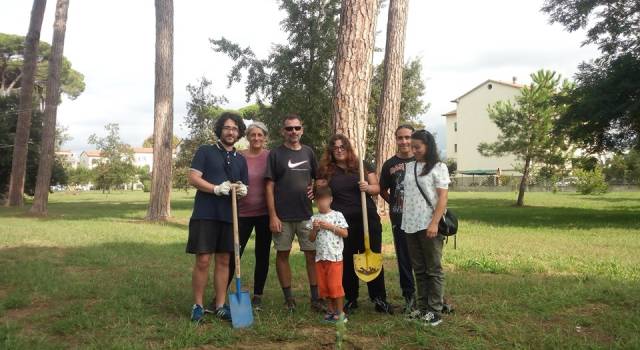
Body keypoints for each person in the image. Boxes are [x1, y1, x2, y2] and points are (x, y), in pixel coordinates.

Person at [317, 134, 394, 315]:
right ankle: (351, 298)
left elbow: (377, 187)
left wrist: (368, 187)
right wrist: (314, 189)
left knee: (372, 256)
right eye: (335, 147)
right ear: (331, 150)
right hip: (342, 223)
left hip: (367, 219)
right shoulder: (326, 170)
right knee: (347, 259)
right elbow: (320, 190)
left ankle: (379, 298)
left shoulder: (362, 165)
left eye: (342, 146)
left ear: (348, 148)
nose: (339, 149)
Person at [186, 112, 249, 323]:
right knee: (203, 260)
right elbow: (193, 178)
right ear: (220, 130)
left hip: (229, 216)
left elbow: (243, 184)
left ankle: (221, 305)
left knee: (224, 260)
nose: (231, 132)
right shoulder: (205, 151)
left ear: (239, 132)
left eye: (235, 129)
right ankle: (198, 305)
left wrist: (242, 190)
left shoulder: (240, 159)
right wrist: (215, 189)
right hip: (206, 213)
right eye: (227, 128)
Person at [265, 114, 323, 312]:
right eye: (289, 128)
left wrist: (315, 189)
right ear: (283, 131)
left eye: (297, 128)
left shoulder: (308, 152)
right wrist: (272, 215)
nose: (293, 132)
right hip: (282, 216)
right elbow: (269, 186)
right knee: (283, 254)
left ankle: (316, 299)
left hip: (306, 214)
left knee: (311, 255)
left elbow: (320, 178)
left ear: (302, 130)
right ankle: (288, 299)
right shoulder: (275, 154)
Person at [401, 130, 450, 326]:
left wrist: (434, 223)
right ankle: (422, 309)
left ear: (428, 146)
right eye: (412, 147)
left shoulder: (439, 167)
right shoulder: (409, 166)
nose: (414, 150)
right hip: (410, 225)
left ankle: (435, 311)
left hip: (429, 225)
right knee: (419, 269)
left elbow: (442, 198)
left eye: (417, 147)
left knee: (434, 270)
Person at [226, 121, 272, 311]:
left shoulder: (270, 157)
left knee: (263, 255)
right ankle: (221, 293)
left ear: (265, 137)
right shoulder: (239, 156)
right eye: (253, 134)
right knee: (233, 254)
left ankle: (258, 295)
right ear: (247, 137)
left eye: (260, 135)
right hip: (241, 214)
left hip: (264, 214)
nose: (256, 138)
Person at [379, 125, 417, 314]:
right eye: (400, 138)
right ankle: (409, 297)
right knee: (404, 259)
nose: (404, 141)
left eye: (407, 137)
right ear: (396, 139)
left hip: (421, 218)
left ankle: (432, 297)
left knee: (425, 259)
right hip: (399, 218)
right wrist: (394, 202)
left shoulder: (421, 161)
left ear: (413, 138)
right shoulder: (389, 165)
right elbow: (382, 189)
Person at [307, 186, 349, 323]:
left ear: (330, 200)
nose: (321, 203)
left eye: (324, 200)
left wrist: (330, 227)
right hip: (320, 257)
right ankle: (331, 311)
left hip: (334, 257)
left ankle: (340, 312)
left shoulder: (337, 215)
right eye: (318, 200)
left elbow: (345, 233)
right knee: (324, 287)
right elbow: (311, 239)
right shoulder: (314, 218)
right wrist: (315, 229)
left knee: (335, 286)